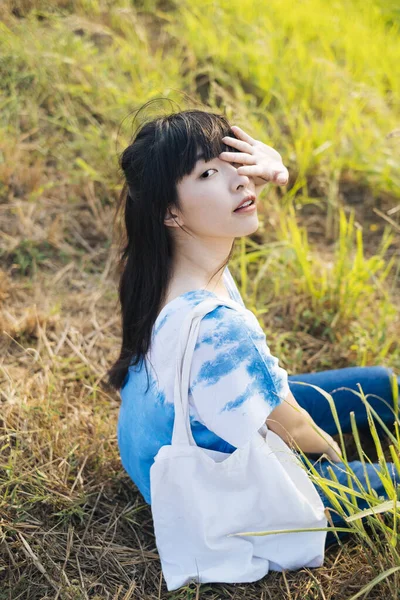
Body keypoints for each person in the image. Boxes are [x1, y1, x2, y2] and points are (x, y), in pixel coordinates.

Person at [107, 105, 399, 563]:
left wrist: (269, 171)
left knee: (384, 386)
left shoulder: (168, 264)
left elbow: (229, 194)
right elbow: (294, 427)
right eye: (207, 174)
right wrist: (330, 454)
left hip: (164, 447)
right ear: (169, 211)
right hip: (212, 488)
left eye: (234, 164)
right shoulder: (216, 329)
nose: (240, 180)